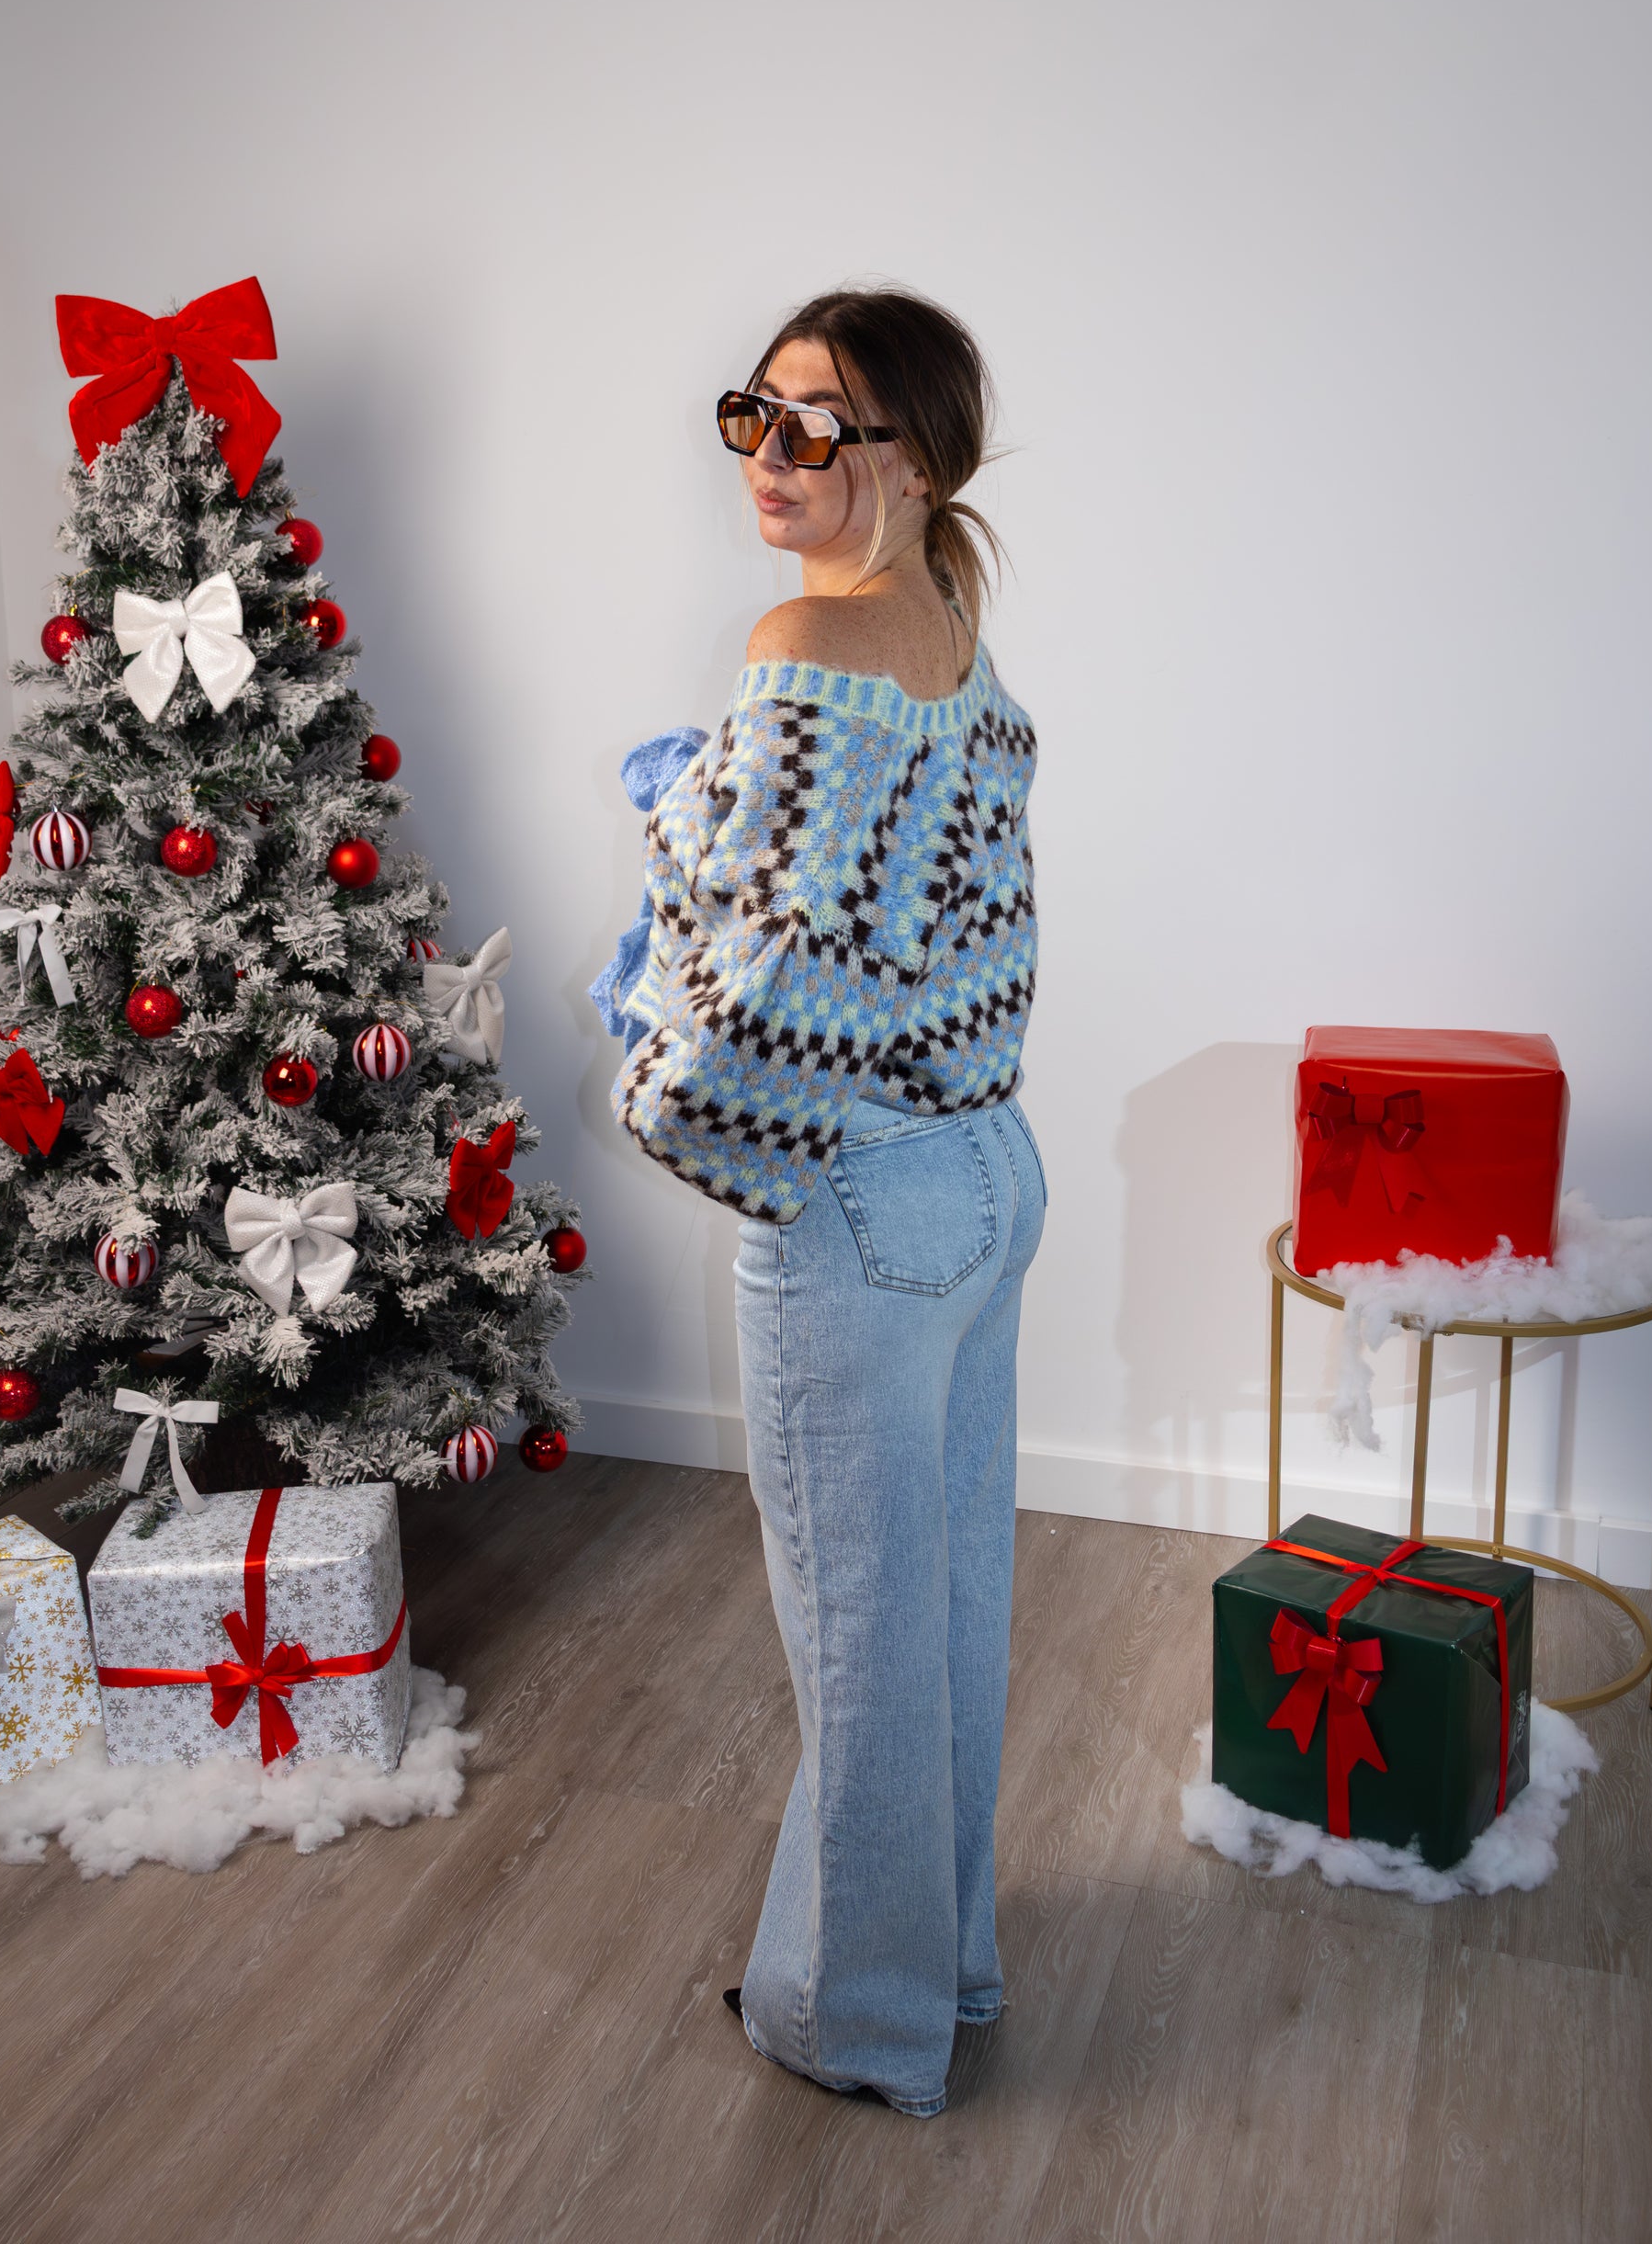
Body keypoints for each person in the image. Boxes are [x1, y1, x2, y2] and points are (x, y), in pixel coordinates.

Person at [611, 286, 1044, 2118]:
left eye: (819, 427)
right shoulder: (946, 616)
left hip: (858, 1197)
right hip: (983, 1170)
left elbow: (798, 962)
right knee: (941, 1614)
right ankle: (943, 1964)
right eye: (755, 414)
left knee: (863, 1645)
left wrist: (654, 1077)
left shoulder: (806, 635)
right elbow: (894, 894)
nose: (771, 459)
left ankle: (851, 2023)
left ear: (917, 457)